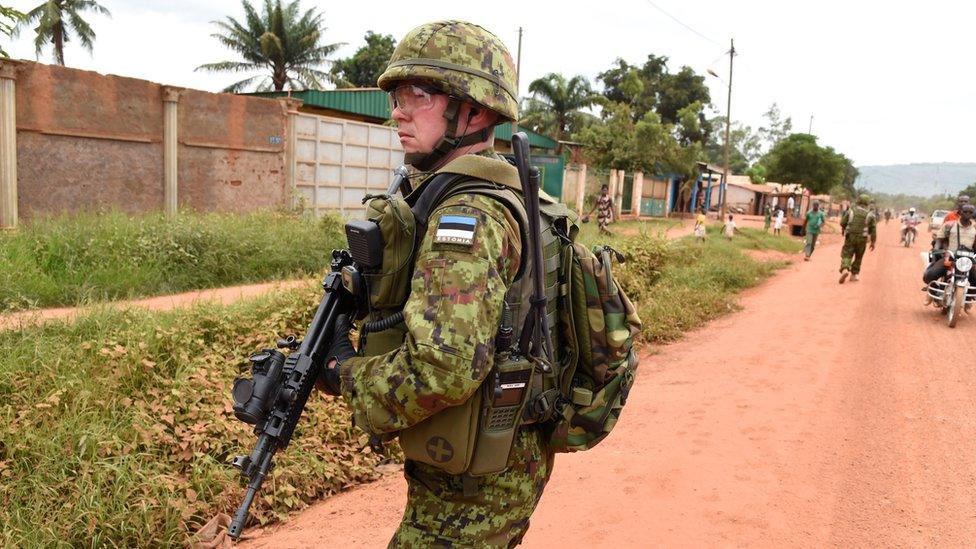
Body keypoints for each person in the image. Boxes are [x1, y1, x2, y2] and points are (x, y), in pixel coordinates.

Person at [316, 20, 552, 546]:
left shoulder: (467, 215)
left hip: (473, 488)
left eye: (416, 96)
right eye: (397, 96)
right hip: (488, 459)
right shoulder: (467, 190)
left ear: (475, 110)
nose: (396, 111)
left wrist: (343, 374)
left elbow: (442, 370)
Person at [923, 204, 976, 304]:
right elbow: (939, 240)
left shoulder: (975, 228)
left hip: (967, 260)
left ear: (973, 214)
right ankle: (933, 291)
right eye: (965, 212)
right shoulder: (949, 225)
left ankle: (968, 299)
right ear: (960, 212)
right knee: (929, 275)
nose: (968, 214)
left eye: (970, 212)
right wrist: (936, 249)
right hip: (950, 257)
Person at [838, 194, 877, 283]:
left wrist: (844, 228)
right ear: (867, 203)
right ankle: (854, 275)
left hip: (850, 236)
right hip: (862, 239)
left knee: (847, 253)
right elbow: (873, 230)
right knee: (859, 256)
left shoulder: (851, 211)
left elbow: (842, 222)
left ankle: (845, 269)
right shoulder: (870, 215)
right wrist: (873, 242)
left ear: (858, 201)